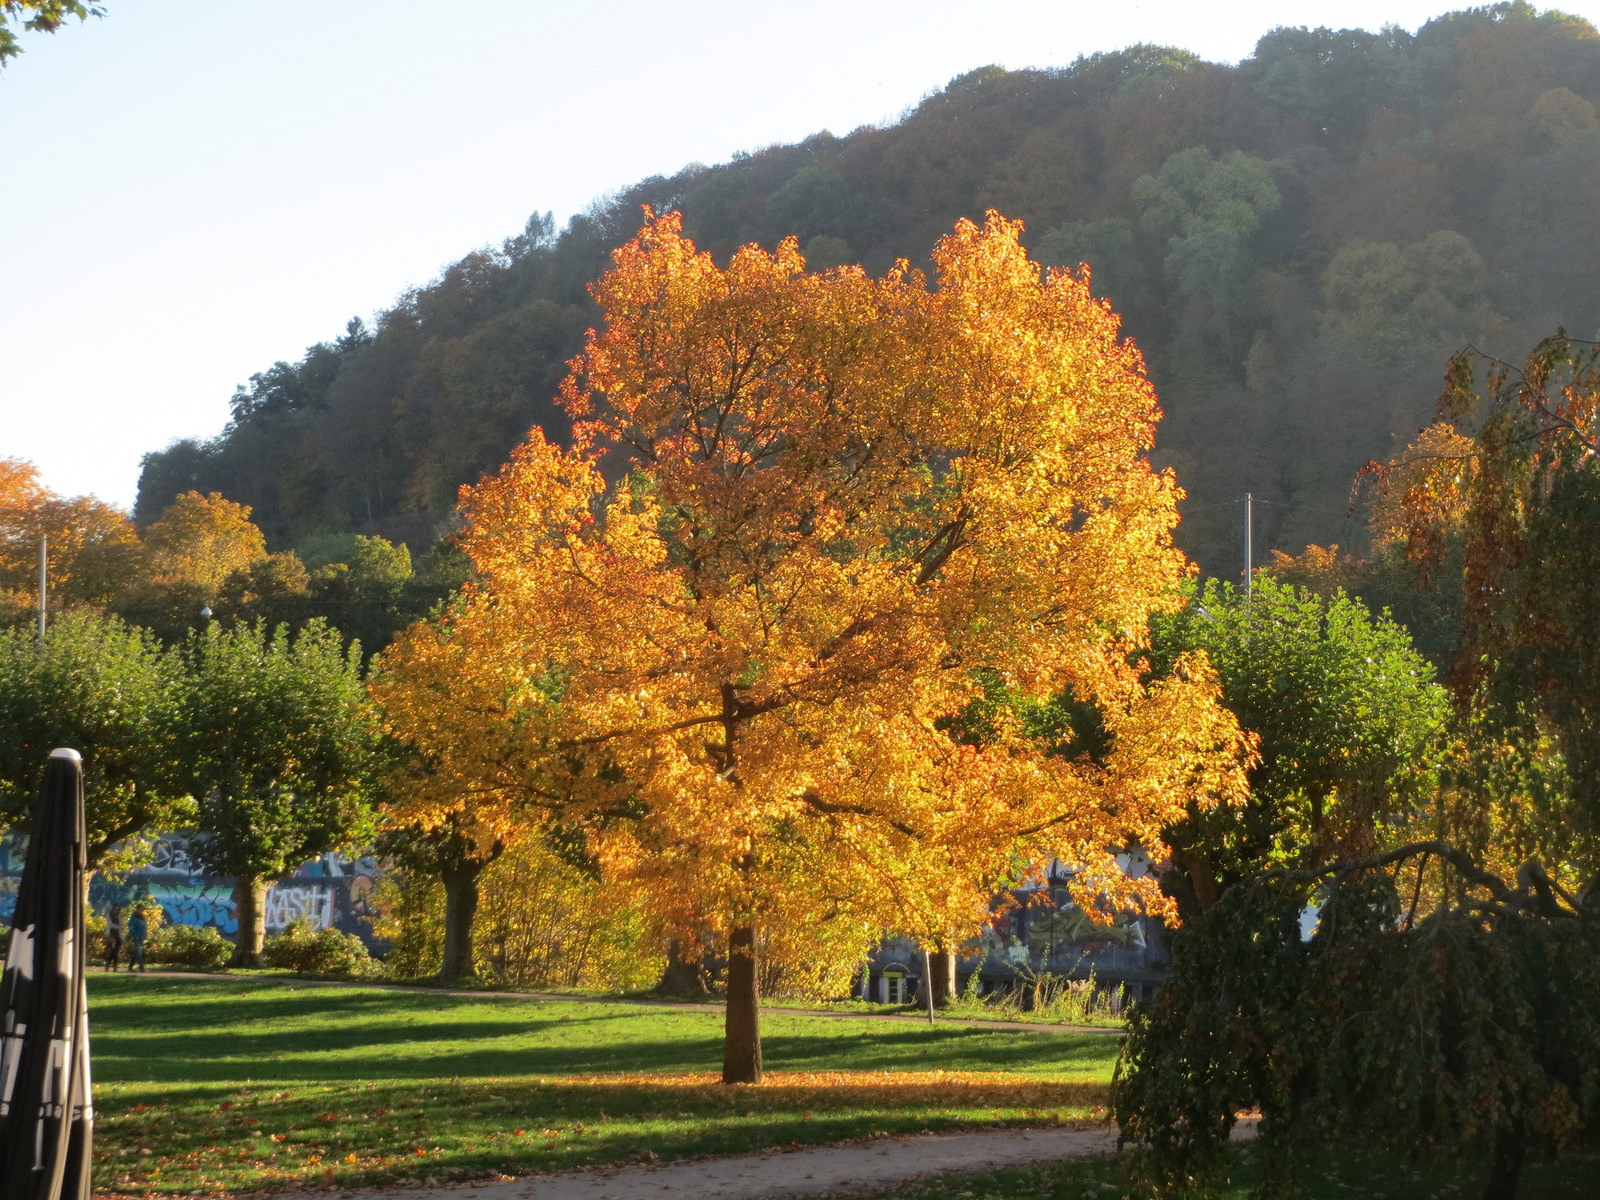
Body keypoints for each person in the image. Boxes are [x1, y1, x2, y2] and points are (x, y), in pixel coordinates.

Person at [127, 904, 148, 972]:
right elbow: (130, 926)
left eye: (142, 909)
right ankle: (142, 967)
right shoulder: (134, 917)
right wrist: (133, 934)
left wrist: (145, 935)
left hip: (141, 937)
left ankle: (130, 966)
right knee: (139, 952)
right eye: (140, 909)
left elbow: (145, 927)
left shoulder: (143, 917)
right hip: (136, 937)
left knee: (136, 952)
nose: (141, 911)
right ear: (137, 909)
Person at [105, 903, 123, 971]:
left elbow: (122, 924)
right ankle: (107, 966)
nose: (116, 911)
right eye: (115, 909)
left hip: (118, 936)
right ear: (112, 909)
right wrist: (118, 926)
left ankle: (115, 968)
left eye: (118, 910)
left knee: (116, 952)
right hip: (110, 936)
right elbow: (110, 925)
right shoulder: (109, 916)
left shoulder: (119, 916)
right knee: (111, 952)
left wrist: (118, 926)